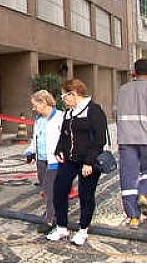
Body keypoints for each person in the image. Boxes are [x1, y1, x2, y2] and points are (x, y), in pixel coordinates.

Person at [47, 79, 107, 245]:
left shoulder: (94, 111)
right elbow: (64, 135)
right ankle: (61, 226)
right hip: (70, 159)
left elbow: (100, 139)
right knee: (59, 189)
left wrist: (89, 162)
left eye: (64, 96)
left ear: (73, 94)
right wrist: (59, 150)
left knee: (86, 194)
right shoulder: (69, 112)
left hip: (88, 160)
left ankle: (83, 229)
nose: (63, 100)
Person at [25, 90, 63, 233]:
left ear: (44, 102)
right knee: (46, 189)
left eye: (35, 105)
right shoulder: (39, 120)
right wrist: (31, 151)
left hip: (55, 161)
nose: (34, 108)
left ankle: (50, 219)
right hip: (41, 159)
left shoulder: (60, 118)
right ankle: (53, 212)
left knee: (50, 189)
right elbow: (36, 138)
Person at [116, 59, 147, 229]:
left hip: (126, 140)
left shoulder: (123, 89)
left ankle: (133, 216)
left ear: (134, 72)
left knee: (128, 176)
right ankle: (144, 195)